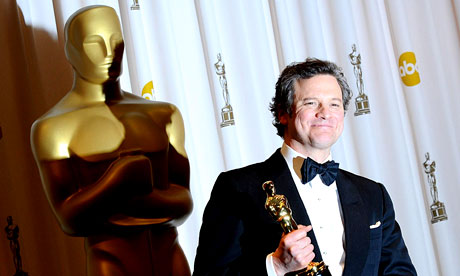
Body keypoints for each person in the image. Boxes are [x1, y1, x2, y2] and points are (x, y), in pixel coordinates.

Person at [193, 58, 416, 275]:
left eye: (334, 104)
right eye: (311, 103)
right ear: (283, 113)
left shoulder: (373, 195)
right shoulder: (238, 188)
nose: (325, 113)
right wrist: (276, 267)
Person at [30, 5, 192, 276]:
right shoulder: (53, 128)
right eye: (95, 43)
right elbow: (70, 221)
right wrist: (117, 180)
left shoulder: (163, 114)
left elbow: (184, 205)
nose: (109, 54)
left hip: (172, 259)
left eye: (116, 41)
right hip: (111, 265)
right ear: (71, 51)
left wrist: (115, 200)